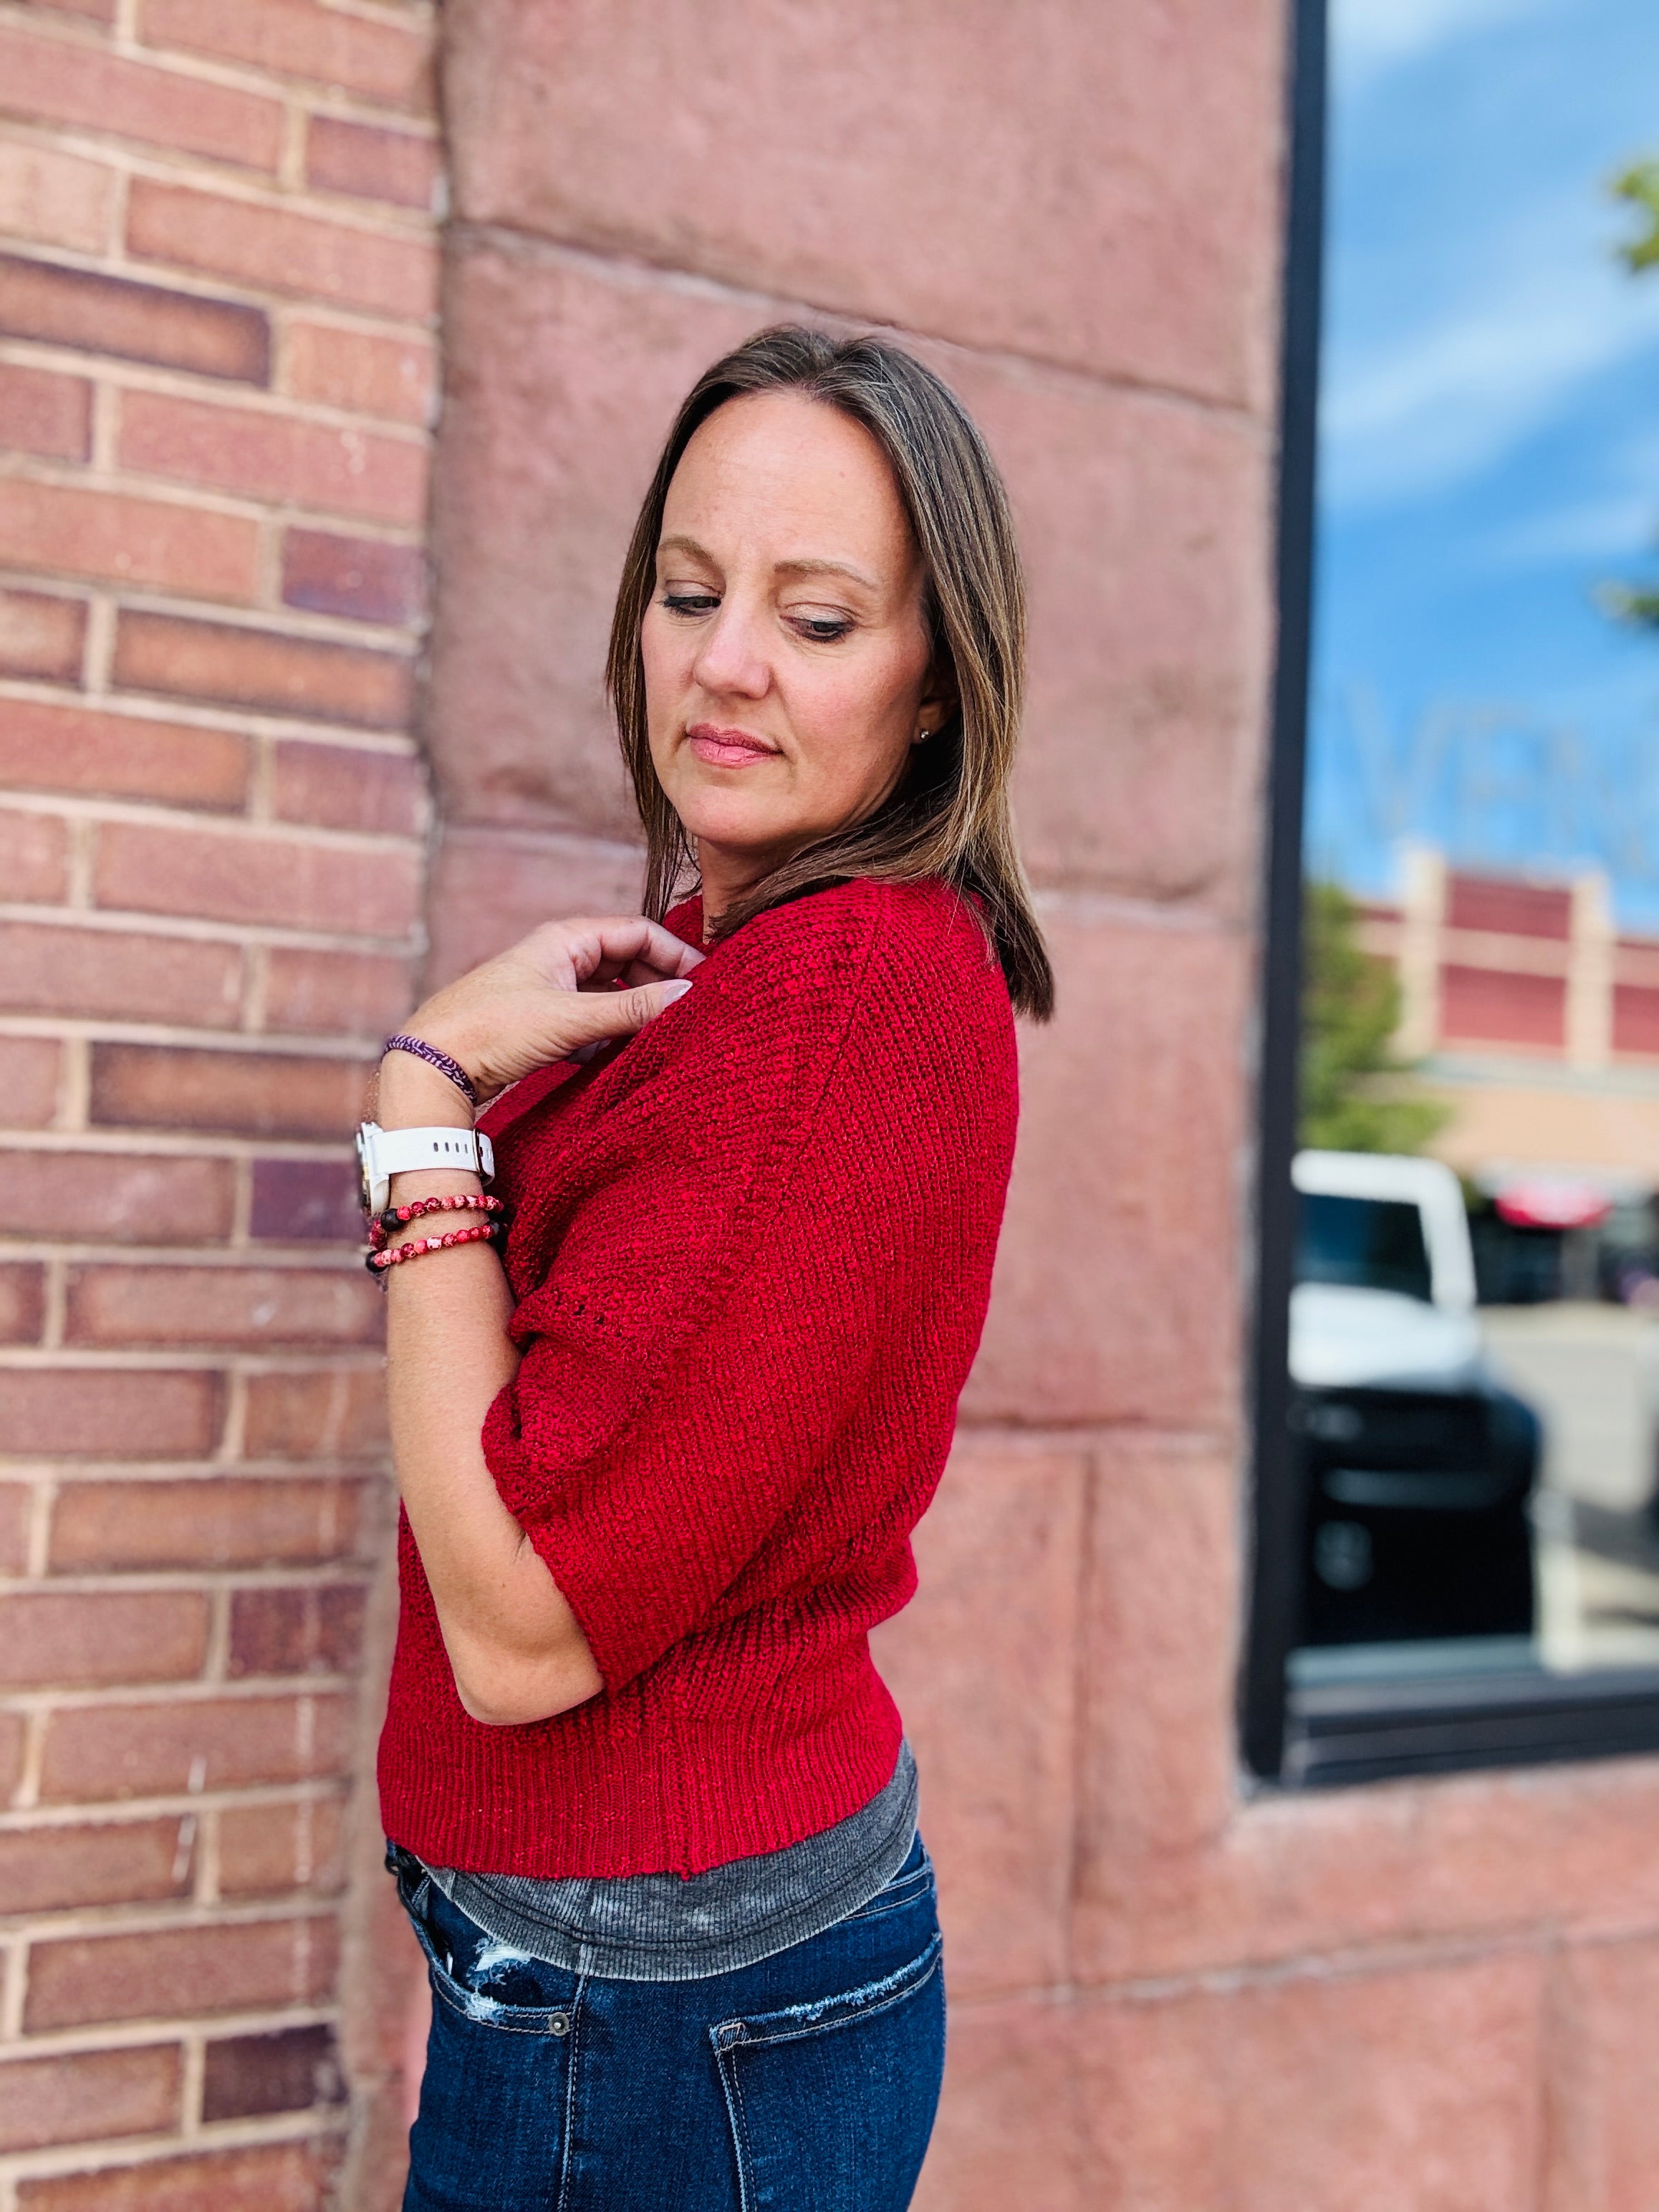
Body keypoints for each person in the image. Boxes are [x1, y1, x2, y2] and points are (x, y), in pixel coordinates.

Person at [365, 324, 1054, 2212]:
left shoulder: (826, 995)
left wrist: (426, 1108)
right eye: (687, 591)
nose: (723, 660)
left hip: (651, 1992)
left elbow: (519, 1634)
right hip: (642, 1964)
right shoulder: (754, 965)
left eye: (818, 620)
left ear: (935, 686)